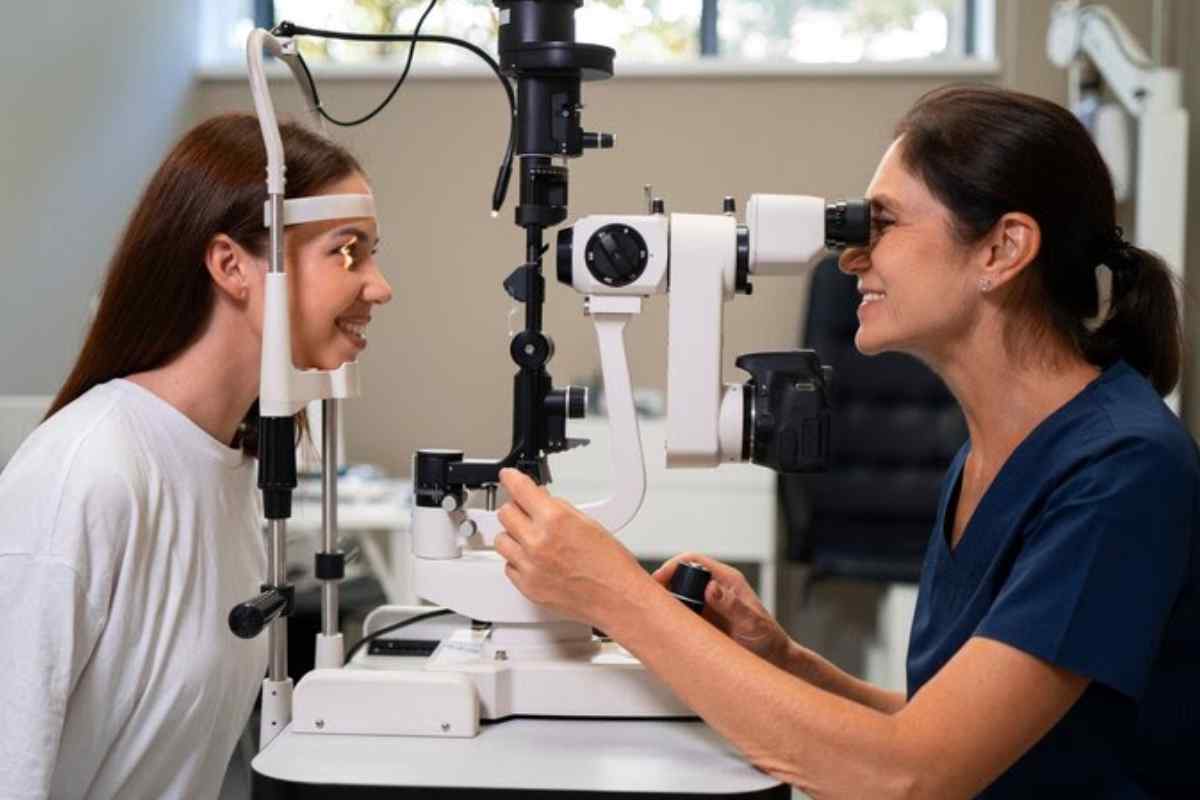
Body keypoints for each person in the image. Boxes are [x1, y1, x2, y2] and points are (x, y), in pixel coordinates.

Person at [492, 85, 1199, 798]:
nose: (851, 256)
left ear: (1002, 248)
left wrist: (612, 594)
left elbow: (913, 773)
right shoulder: (988, 456)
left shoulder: (1120, 471)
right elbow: (951, 733)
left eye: (882, 222)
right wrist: (784, 659)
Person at [0, 113, 392, 799]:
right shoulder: (90, 472)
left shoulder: (225, 462)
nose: (379, 285)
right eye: (347, 251)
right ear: (231, 265)